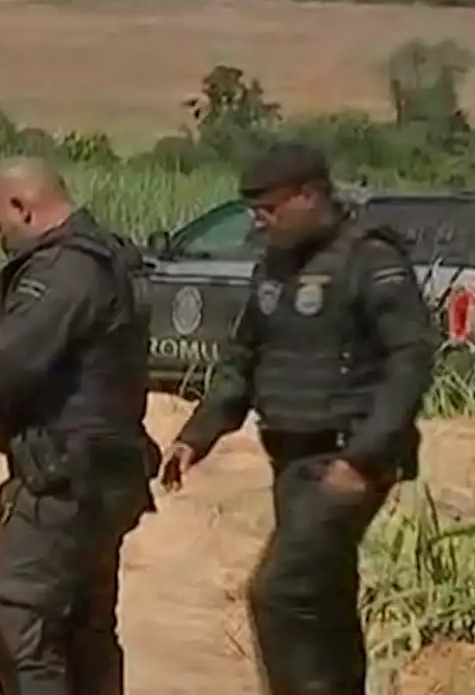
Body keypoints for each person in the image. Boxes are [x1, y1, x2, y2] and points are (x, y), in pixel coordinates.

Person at [158, 142, 435, 694]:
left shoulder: (370, 258)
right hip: (291, 457)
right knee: (323, 599)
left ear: (311, 195)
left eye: (270, 208)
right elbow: (243, 361)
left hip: (347, 458)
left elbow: (410, 361)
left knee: (279, 592)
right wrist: (198, 435)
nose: (261, 221)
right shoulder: (276, 267)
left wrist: (364, 457)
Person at [0, 157, 160, 695]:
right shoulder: (109, 257)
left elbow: (13, 360)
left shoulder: (64, 269)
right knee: (84, 627)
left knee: (18, 616)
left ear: (21, 206)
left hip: (64, 475)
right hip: (106, 470)